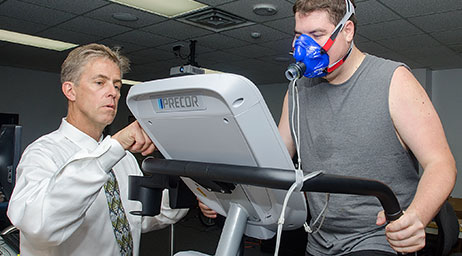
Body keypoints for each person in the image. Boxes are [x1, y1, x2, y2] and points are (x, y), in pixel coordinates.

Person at [201, 0, 457, 255]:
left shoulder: (393, 81)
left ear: (347, 31)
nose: (304, 46)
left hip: (380, 238)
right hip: (320, 238)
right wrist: (224, 197)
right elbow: (270, 163)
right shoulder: (297, 90)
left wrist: (417, 217)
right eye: (299, 35)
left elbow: (440, 163)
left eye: (316, 35)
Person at [7, 43, 188, 256]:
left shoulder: (124, 159)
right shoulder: (42, 153)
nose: (112, 93)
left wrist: (194, 195)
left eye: (117, 86)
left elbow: (139, 219)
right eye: (100, 82)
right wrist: (115, 146)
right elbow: (41, 228)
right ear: (70, 90)